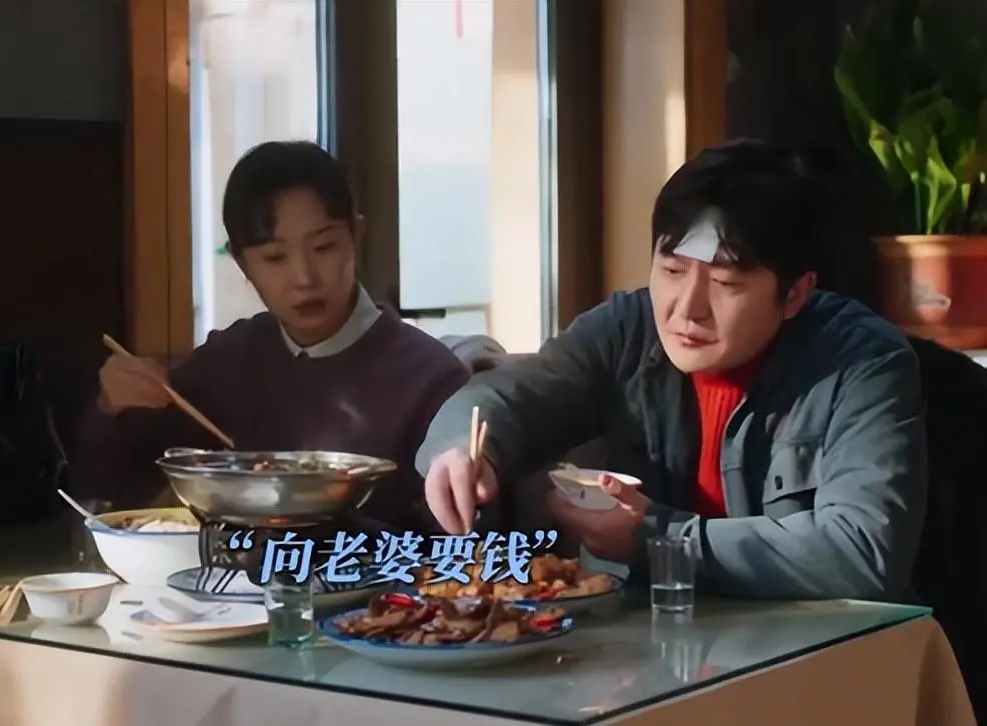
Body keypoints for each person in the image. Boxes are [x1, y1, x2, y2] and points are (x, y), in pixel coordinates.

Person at [416, 139, 927, 600]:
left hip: (810, 651)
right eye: (672, 270)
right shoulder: (627, 330)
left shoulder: (861, 361)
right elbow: (516, 393)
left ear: (795, 293)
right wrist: (460, 450)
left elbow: (863, 551)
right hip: (644, 642)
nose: (686, 309)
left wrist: (656, 537)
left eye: (726, 284)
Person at [72, 141, 470, 533]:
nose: (304, 278)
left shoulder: (430, 377)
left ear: (356, 235)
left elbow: (457, 543)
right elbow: (107, 497)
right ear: (242, 263)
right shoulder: (227, 362)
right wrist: (113, 408)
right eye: (275, 257)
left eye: (324, 247)